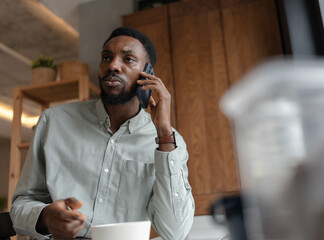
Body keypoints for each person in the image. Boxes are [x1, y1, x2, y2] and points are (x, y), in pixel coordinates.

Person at [10, 27, 195, 240]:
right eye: (107, 57)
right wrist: (43, 218)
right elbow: (20, 206)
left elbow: (175, 232)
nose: (113, 65)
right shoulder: (53, 121)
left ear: (148, 73)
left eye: (128, 59)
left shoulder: (170, 143)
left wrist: (163, 133)